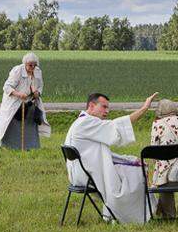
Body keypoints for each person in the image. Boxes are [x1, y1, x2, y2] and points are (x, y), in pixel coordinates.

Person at [64, 91, 159, 224]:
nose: (107, 111)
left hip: (80, 173)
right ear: (91, 106)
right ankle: (133, 217)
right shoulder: (86, 123)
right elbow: (117, 126)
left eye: (108, 107)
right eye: (104, 107)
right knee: (136, 173)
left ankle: (113, 214)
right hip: (85, 176)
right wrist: (144, 109)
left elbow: (101, 154)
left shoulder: (81, 122)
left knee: (132, 164)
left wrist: (128, 160)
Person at [0, 52, 51, 150]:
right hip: (14, 103)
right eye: (30, 65)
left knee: (30, 126)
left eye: (34, 65)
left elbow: (40, 85)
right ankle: (11, 146)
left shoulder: (38, 71)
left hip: (29, 103)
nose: (32, 67)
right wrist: (19, 94)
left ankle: (31, 146)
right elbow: (7, 87)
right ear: (25, 64)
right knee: (13, 125)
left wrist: (37, 93)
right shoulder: (17, 71)